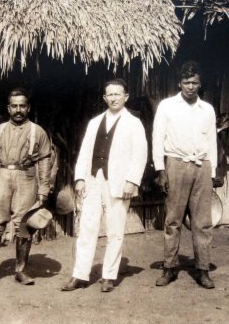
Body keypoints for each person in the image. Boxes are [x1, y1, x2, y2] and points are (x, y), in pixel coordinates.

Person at [61, 78, 148, 293]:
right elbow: (84, 152)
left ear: (125, 97)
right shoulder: (95, 122)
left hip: (119, 182)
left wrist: (132, 181)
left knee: (115, 229)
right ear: (104, 97)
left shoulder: (133, 123)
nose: (113, 98)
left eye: (118, 94)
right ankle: (80, 275)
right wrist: (80, 178)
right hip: (94, 179)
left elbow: (140, 155)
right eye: (110, 94)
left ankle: (109, 275)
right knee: (87, 228)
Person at [0, 88, 52, 286]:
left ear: (28, 108)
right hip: (0, 177)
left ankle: (21, 270)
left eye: (22, 106)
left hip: (26, 177)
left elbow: (44, 162)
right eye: (14, 106)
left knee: (24, 224)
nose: (18, 110)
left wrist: (43, 189)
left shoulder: (38, 132)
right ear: (8, 108)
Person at [152, 61, 217, 289]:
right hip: (176, 164)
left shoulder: (207, 109)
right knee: (173, 220)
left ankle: (203, 269)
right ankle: (169, 267)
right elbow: (157, 138)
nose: (191, 86)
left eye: (195, 82)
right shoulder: (167, 106)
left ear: (200, 84)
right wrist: (161, 170)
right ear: (179, 83)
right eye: (187, 82)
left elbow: (212, 141)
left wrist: (213, 170)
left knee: (203, 222)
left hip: (202, 166)